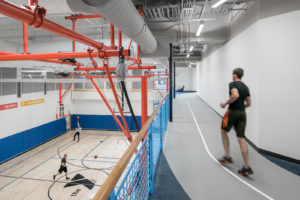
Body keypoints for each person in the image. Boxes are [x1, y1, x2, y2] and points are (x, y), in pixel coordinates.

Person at [218, 68, 253, 176]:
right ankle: (247, 167)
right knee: (241, 138)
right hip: (242, 113)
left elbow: (235, 95)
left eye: (232, 74)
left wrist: (225, 103)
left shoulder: (233, 84)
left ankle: (227, 156)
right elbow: (249, 103)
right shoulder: (246, 87)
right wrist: (241, 106)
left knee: (223, 131)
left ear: (234, 75)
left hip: (232, 112)